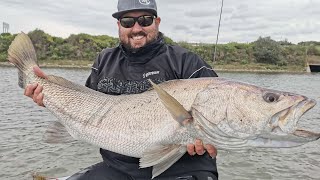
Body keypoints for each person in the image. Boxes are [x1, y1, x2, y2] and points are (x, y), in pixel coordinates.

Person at [25, 0, 219, 179]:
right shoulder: (104, 60)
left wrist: (207, 138)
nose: (137, 28)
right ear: (118, 25)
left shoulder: (187, 61)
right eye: (127, 21)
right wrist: (47, 97)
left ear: (157, 22)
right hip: (117, 167)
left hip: (183, 168)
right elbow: (84, 106)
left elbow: (216, 116)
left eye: (145, 20)